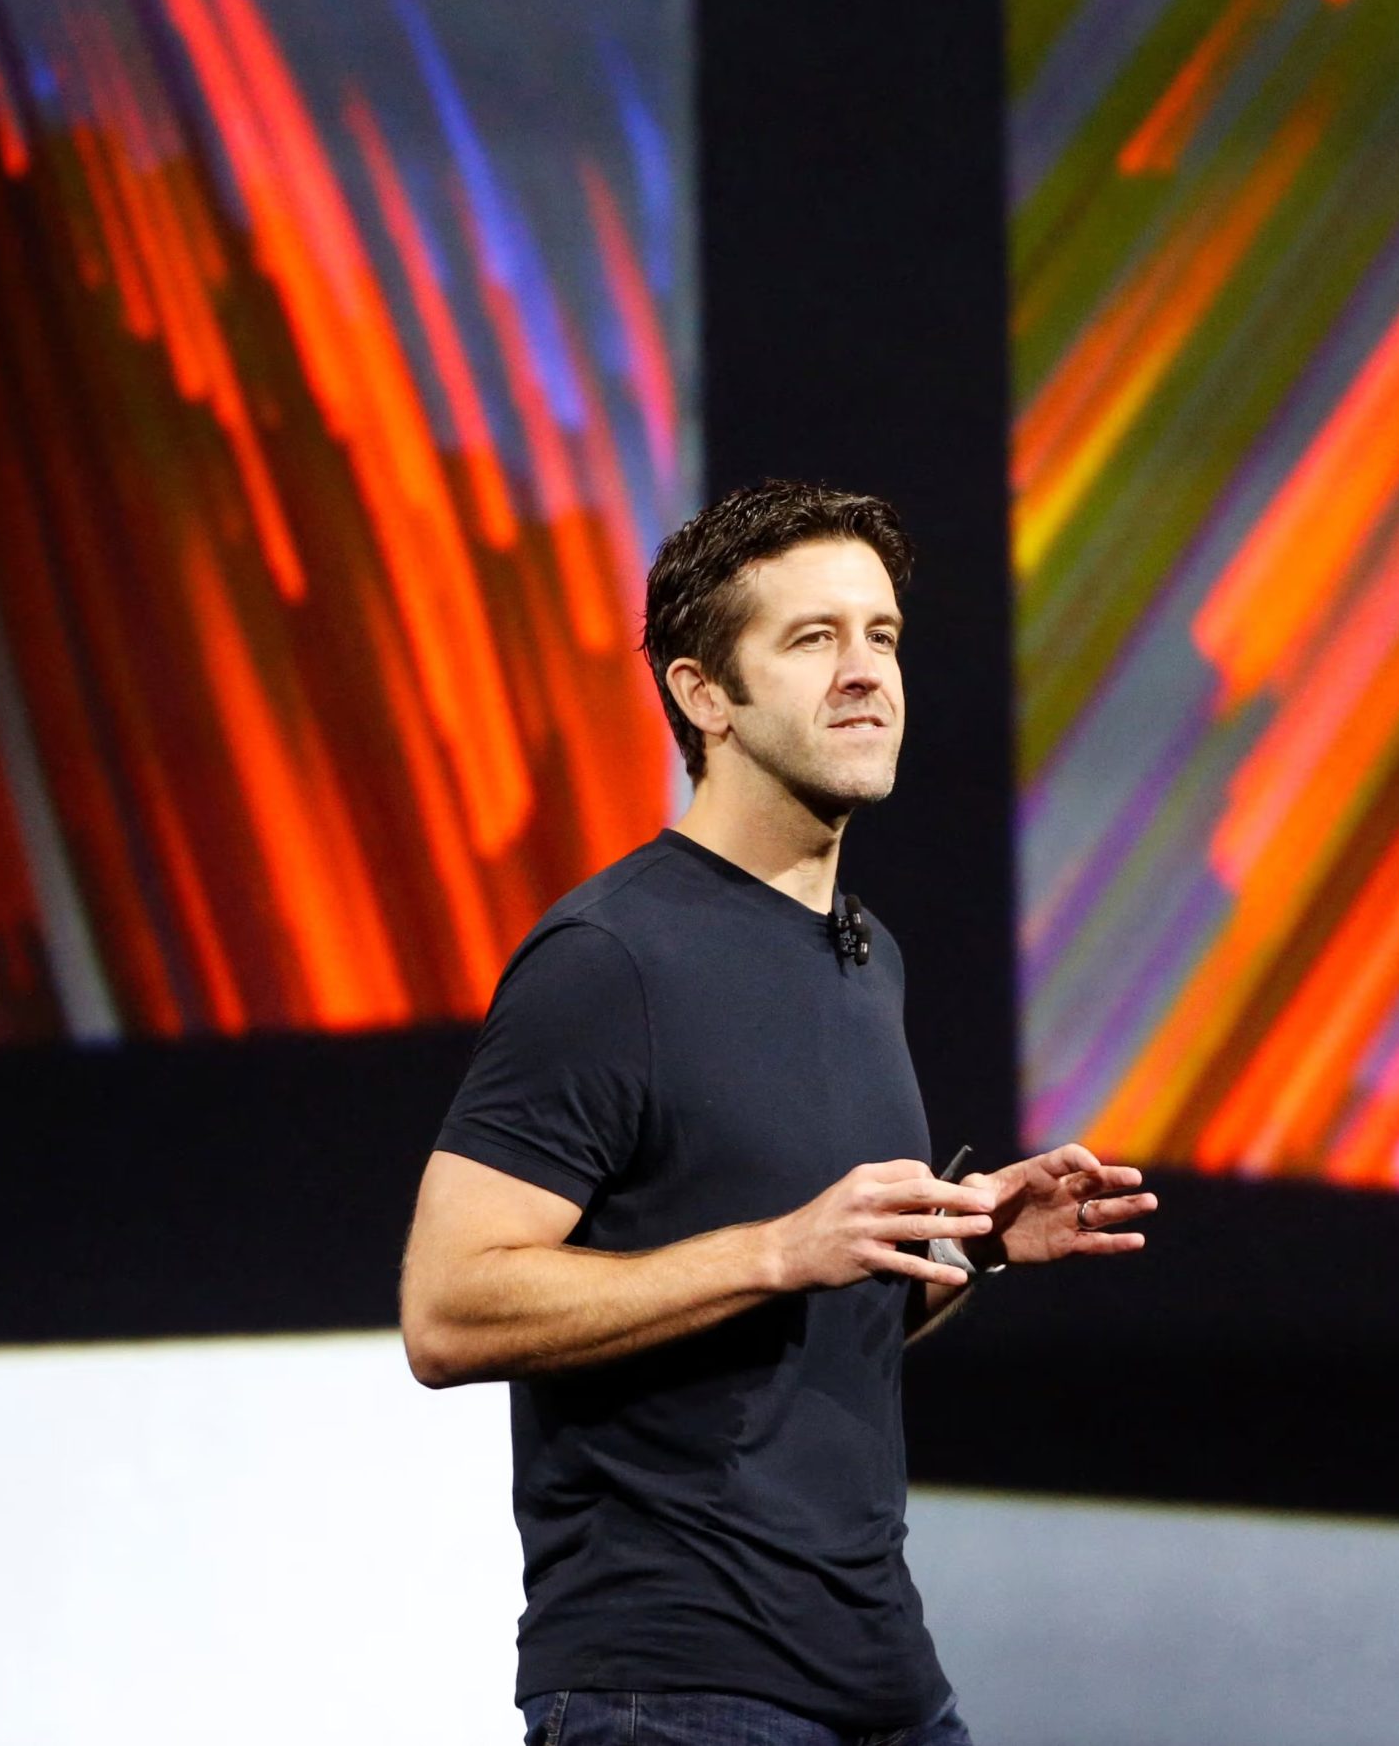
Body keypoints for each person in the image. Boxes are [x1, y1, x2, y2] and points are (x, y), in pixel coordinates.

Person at [399, 478, 1158, 1746]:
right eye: (812, 640)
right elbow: (446, 1304)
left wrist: (962, 1240)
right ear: (706, 697)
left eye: (881, 636)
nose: (865, 672)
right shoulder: (610, 957)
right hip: (674, 1686)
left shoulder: (869, 954)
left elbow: (793, 1330)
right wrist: (775, 1247)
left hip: (879, 1677)